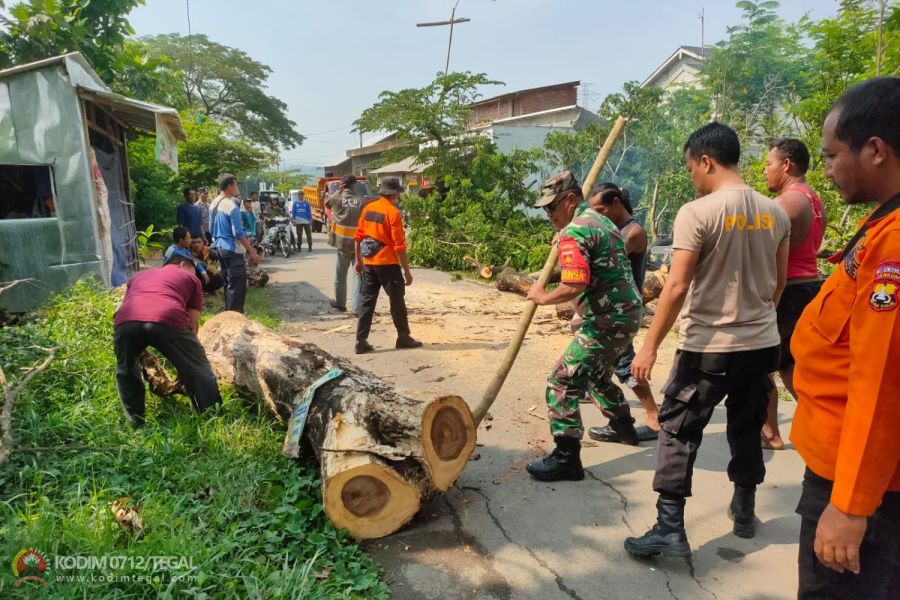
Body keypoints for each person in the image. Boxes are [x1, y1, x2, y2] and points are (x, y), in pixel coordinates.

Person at [624, 122, 790, 558]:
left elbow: (676, 288)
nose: (692, 178)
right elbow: (779, 283)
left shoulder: (697, 212)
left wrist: (649, 345)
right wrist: (757, 320)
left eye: (691, 168)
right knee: (746, 424)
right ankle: (745, 509)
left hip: (708, 346)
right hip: (761, 344)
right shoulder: (776, 213)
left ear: (706, 161)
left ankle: (669, 527)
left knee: (678, 429)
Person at [790, 77, 900, 599]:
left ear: (875, 150)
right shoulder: (882, 228)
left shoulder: (894, 246)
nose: (828, 170)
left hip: (859, 486)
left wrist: (852, 505)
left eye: (833, 156)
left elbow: (881, 383)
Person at [524, 172, 643, 481]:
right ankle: (625, 430)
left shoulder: (575, 231)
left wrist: (543, 296)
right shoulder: (599, 221)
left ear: (571, 200)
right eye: (545, 209)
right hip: (627, 314)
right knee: (598, 376)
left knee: (562, 379)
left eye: (551, 207)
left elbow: (574, 284)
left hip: (606, 319)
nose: (548, 214)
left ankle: (567, 457)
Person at [759, 138, 826, 450]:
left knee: (771, 363)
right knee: (789, 365)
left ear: (786, 165)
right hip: (807, 286)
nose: (764, 171)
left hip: (787, 291)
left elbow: (759, 251)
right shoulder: (812, 198)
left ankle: (776, 432)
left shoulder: (786, 203)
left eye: (769, 164)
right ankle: (780, 429)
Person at [587, 182, 659, 443]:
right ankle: (614, 414)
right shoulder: (614, 228)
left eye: (601, 209)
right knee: (600, 360)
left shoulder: (633, 231)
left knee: (626, 365)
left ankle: (653, 418)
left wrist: (574, 241)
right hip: (609, 308)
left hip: (622, 311)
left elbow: (606, 257)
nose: (598, 216)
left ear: (616, 203)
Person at [113, 254, 221, 427]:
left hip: (125, 321)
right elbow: (193, 324)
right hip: (167, 317)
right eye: (194, 271)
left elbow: (128, 307)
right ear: (183, 265)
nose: (196, 276)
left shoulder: (138, 276)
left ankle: (136, 423)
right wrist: (189, 357)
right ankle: (213, 418)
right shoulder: (189, 278)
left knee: (126, 370)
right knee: (198, 369)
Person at [354, 177, 422, 354]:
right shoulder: (393, 213)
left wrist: (359, 261)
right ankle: (403, 337)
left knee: (367, 301)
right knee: (397, 301)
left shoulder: (368, 209)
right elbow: (399, 246)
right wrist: (407, 271)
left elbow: (358, 237)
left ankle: (361, 341)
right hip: (388, 264)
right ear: (395, 194)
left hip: (369, 263)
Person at [210, 173, 260, 312]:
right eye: (236, 185)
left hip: (219, 247)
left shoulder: (214, 203)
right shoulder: (231, 205)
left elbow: (210, 228)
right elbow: (238, 233)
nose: (237, 188)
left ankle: (228, 314)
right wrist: (252, 252)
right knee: (237, 286)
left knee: (228, 283)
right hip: (232, 249)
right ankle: (235, 317)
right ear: (229, 186)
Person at [328, 174, 365, 316]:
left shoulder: (336, 198)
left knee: (341, 274)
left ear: (342, 185)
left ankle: (340, 304)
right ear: (354, 185)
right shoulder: (360, 201)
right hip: (357, 244)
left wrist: (339, 191)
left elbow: (327, 203)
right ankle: (357, 309)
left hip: (342, 243)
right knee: (358, 275)